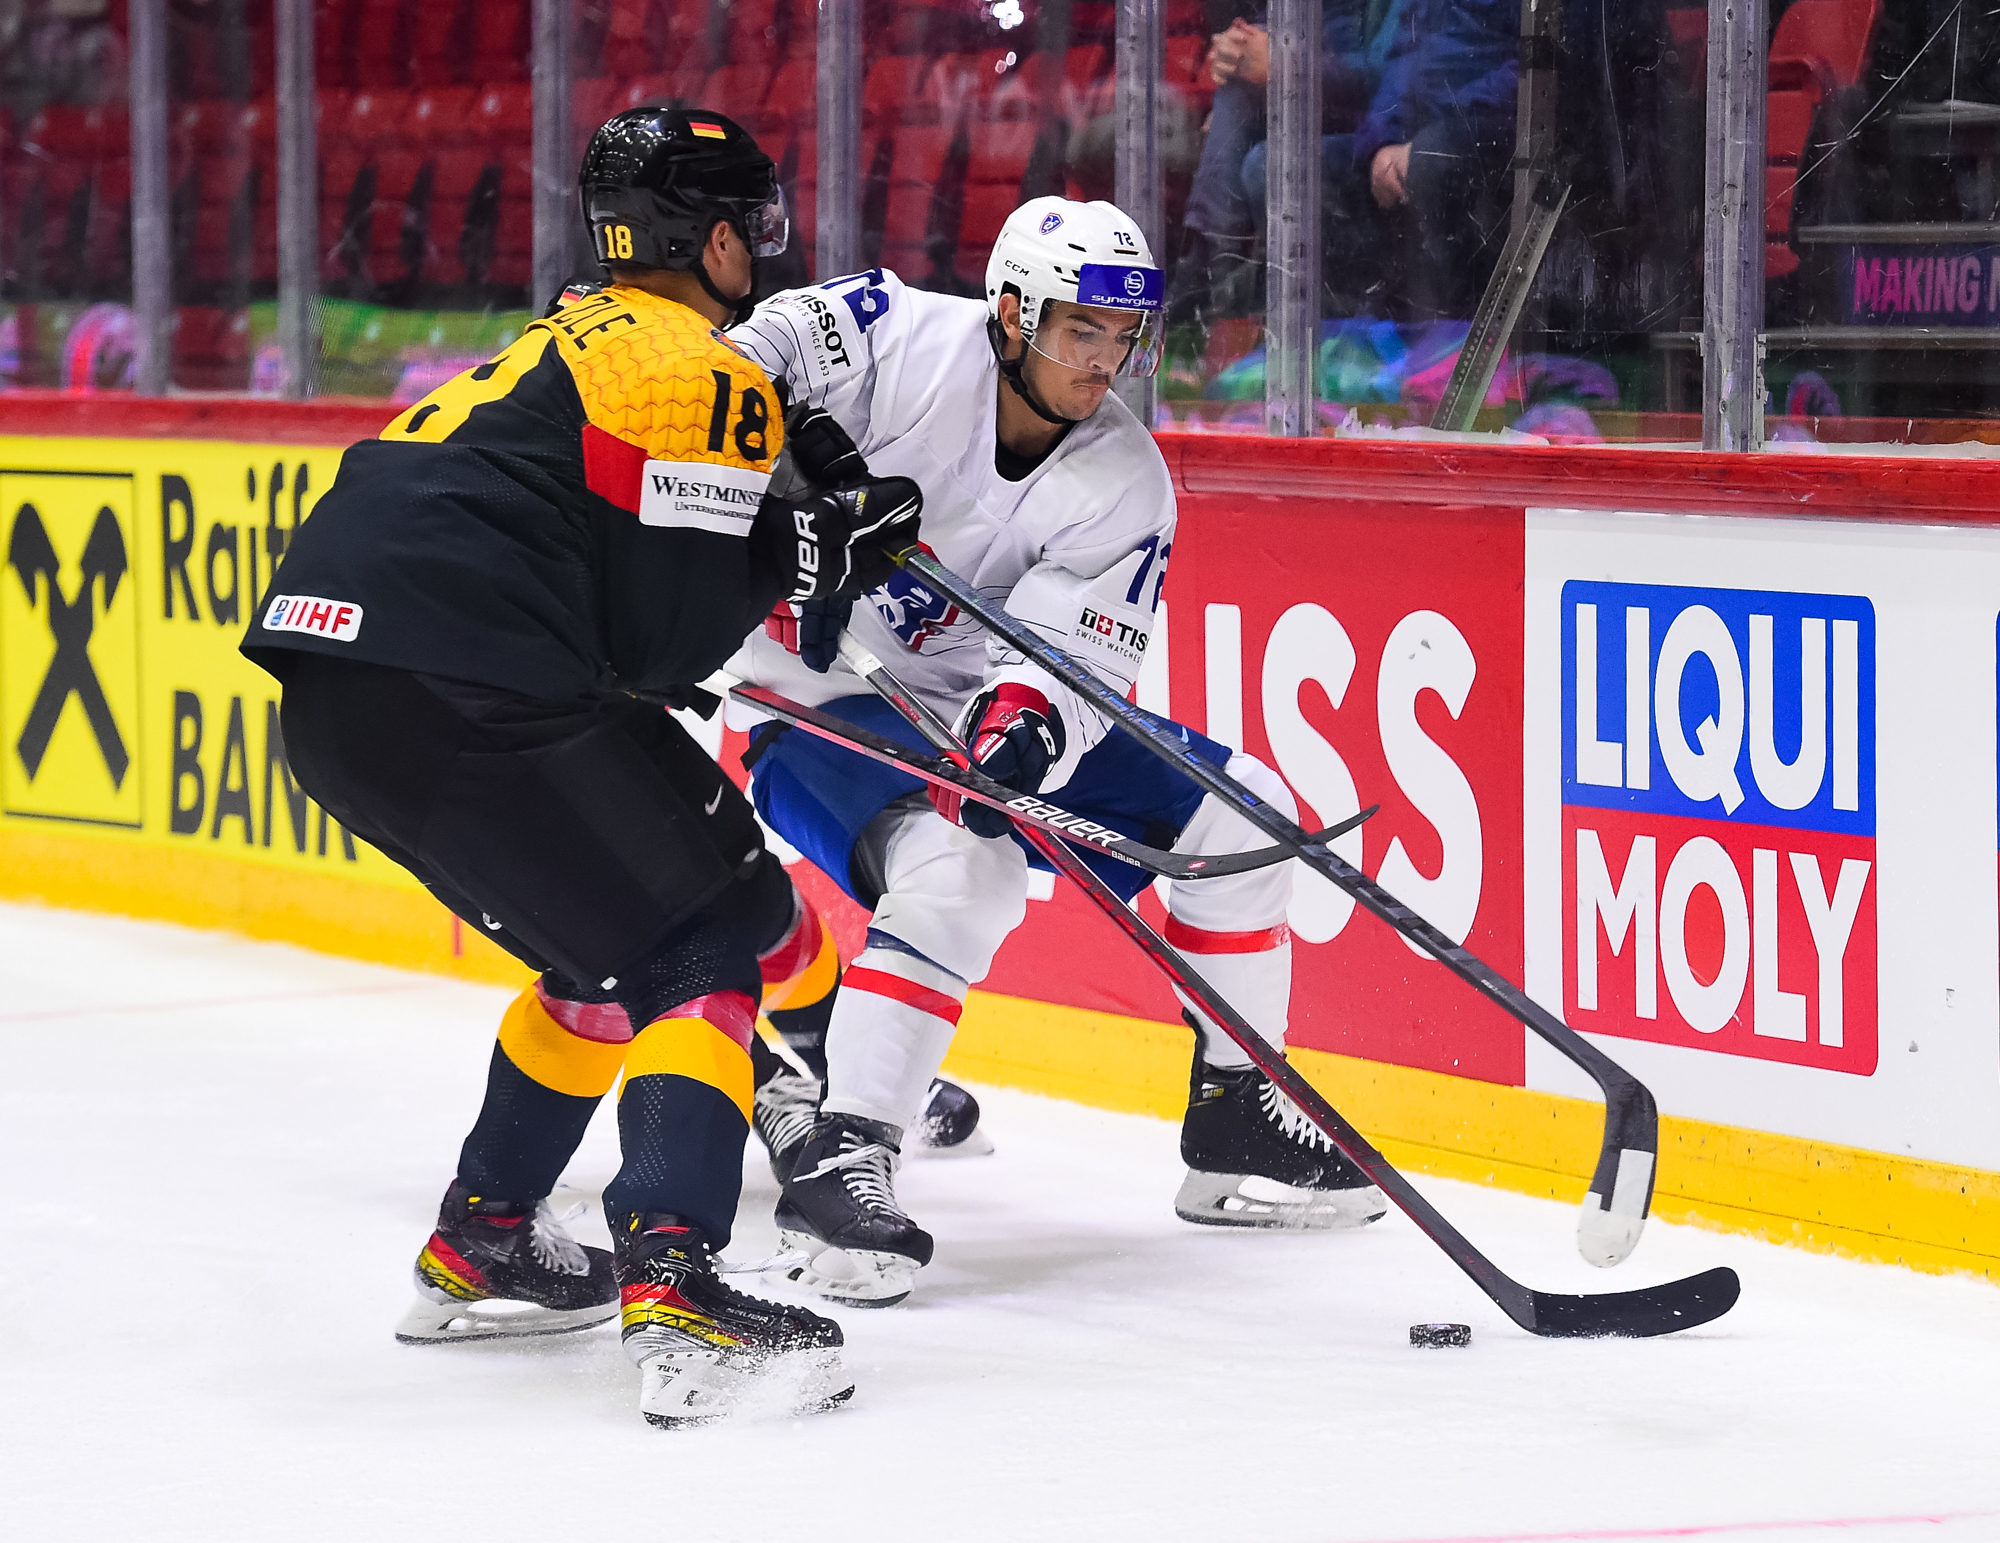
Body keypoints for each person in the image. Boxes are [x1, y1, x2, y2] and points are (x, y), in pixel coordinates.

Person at [239, 107, 923, 1426]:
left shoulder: (572, 333)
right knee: (700, 947)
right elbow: (661, 649)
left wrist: (782, 531)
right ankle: (680, 1288)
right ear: (712, 240)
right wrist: (807, 557)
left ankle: (486, 1236)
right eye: (752, 227)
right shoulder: (691, 365)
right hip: (464, 678)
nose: (762, 249)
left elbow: (611, 606)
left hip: (340, 687)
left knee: (622, 937)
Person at [720, 196, 1388, 1310]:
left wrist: (1022, 732)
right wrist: (792, 487)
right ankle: (845, 1157)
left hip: (962, 697)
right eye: (1082, 330)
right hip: (812, 691)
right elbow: (745, 355)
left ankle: (1236, 1113)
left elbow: (1071, 653)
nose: (1103, 360)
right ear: (1012, 313)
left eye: (1123, 336)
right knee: (961, 868)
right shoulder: (894, 336)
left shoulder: (1125, 478)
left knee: (1250, 815)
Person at [1173, 0, 1406, 324]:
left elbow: (1390, 76)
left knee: (1269, 164)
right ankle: (1208, 278)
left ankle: (1204, 273)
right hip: (1326, 109)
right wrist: (1240, 49)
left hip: (1389, 130)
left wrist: (1286, 64)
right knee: (1241, 96)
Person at [1345, 0, 1519, 318]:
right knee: (1286, 170)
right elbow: (1401, 58)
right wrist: (1381, 144)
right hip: (1415, 131)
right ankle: (1361, 331)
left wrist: (1432, 125)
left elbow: (1536, 68)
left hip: (1491, 128)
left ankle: (1456, 328)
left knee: (1432, 156)